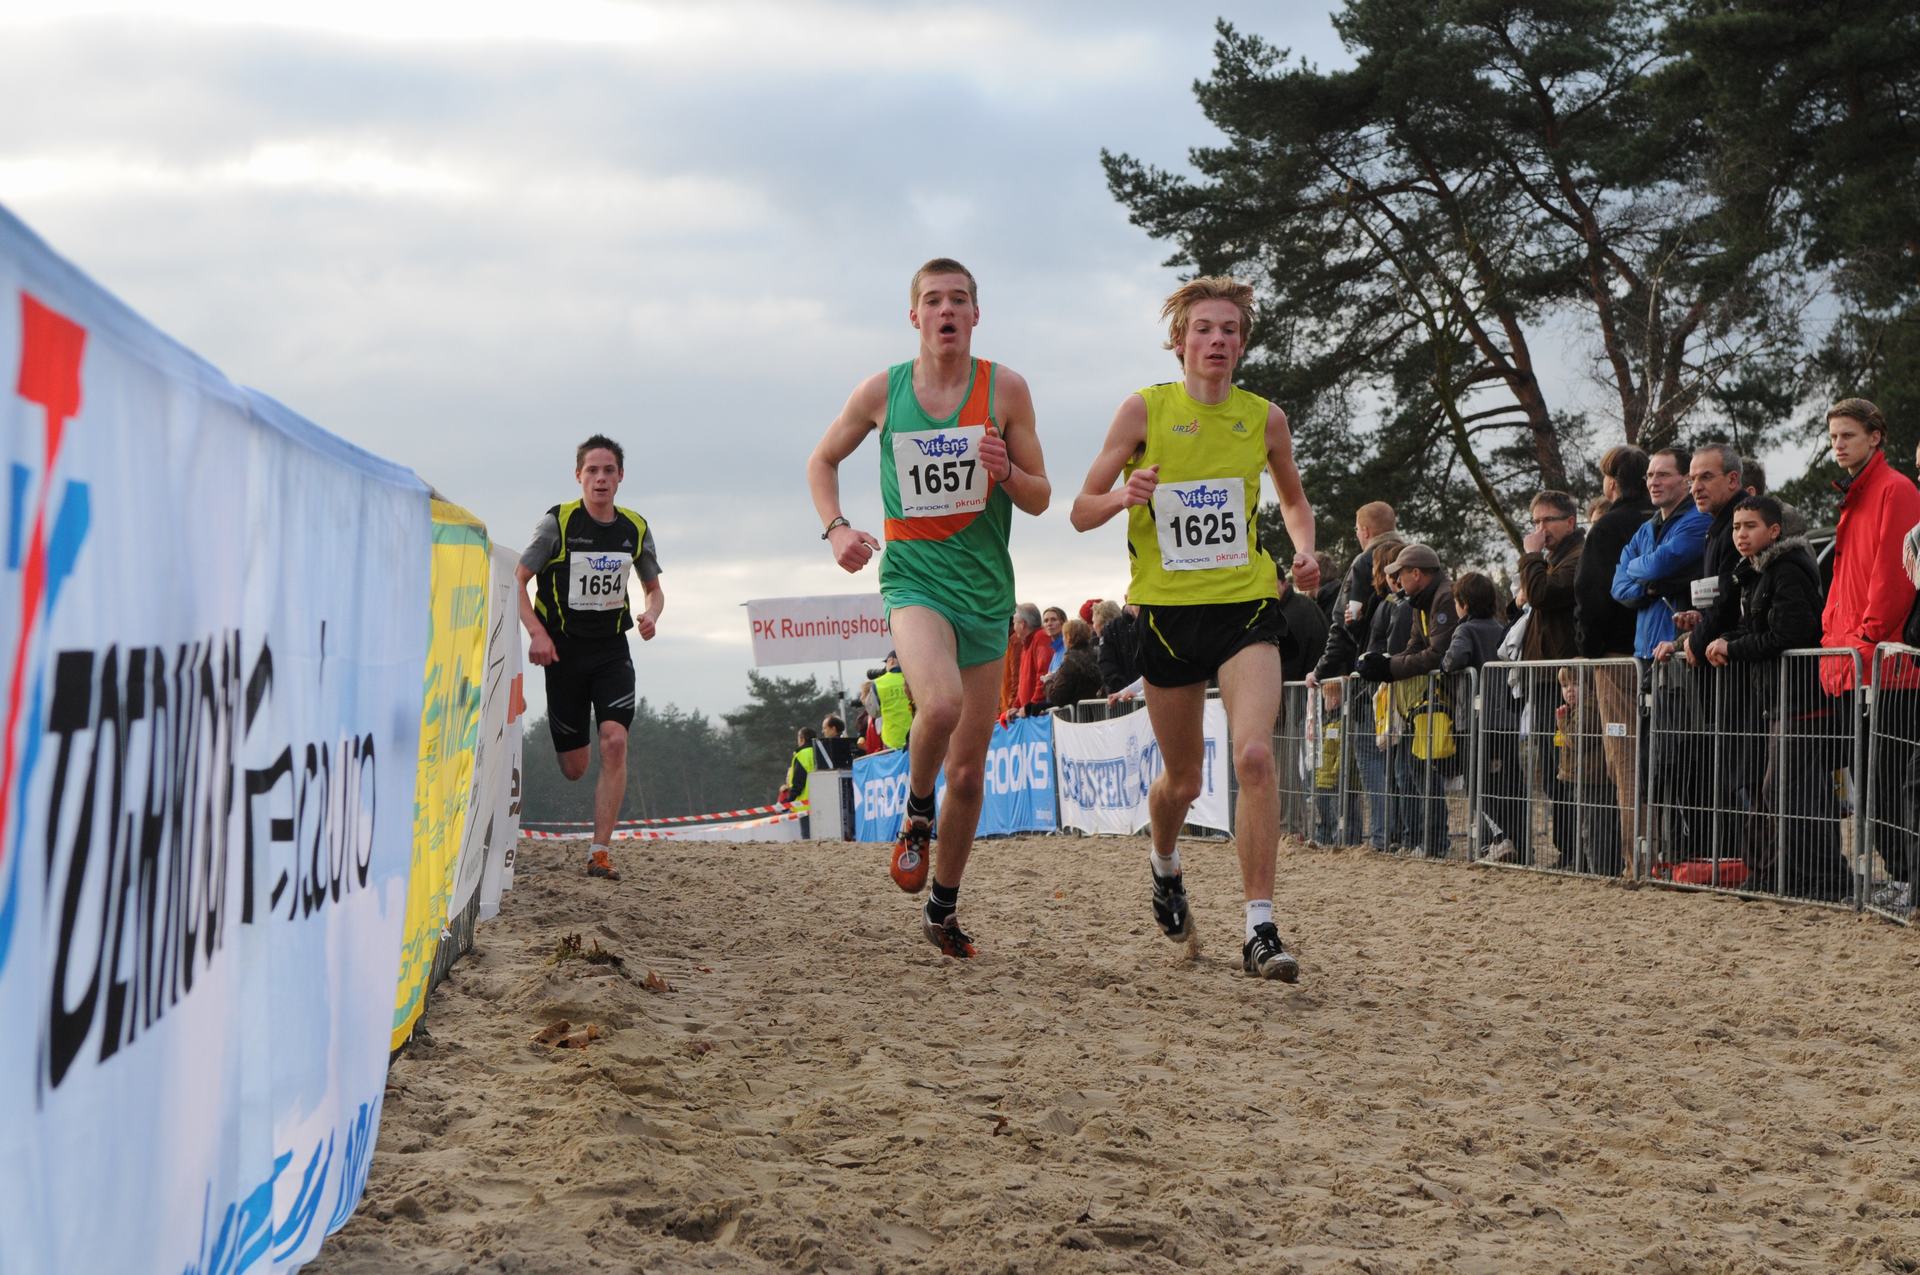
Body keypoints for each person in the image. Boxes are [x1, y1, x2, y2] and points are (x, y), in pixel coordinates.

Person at [1070, 275, 1318, 981]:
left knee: (1254, 756)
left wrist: (1304, 549)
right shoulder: (1144, 410)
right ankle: (1164, 863)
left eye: (1229, 330)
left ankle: (1260, 927)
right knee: (1181, 780)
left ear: (1242, 343)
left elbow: (1293, 501)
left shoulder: (1264, 418)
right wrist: (1125, 494)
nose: (1217, 340)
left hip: (1246, 607)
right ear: (1179, 341)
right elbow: (1081, 510)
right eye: (1204, 329)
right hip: (1168, 617)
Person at [806, 257, 1050, 957]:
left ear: (976, 314)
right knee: (938, 704)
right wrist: (837, 529)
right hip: (914, 581)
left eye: (959, 300)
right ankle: (916, 812)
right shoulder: (882, 391)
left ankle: (943, 906)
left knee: (969, 773)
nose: (947, 311)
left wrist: (1007, 471)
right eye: (934, 300)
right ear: (914, 315)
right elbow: (821, 461)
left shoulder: (1005, 389)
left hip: (986, 592)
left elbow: (1040, 496)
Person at [516, 434, 663, 882]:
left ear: (621, 476)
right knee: (575, 768)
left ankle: (600, 852)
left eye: (608, 471)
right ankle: (567, 740)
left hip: (611, 651)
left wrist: (651, 615)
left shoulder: (634, 527)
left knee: (615, 741)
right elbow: (517, 582)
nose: (601, 479)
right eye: (592, 471)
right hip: (562, 652)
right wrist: (537, 634)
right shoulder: (557, 524)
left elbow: (654, 589)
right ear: (578, 475)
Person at [1697, 494, 1843, 899]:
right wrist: (1725, 639)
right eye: (1736, 528)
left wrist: (1732, 647)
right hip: (1779, 700)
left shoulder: (1787, 571)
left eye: (1750, 527)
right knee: (1784, 793)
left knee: (1793, 794)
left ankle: (1821, 877)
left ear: (1774, 531)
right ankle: (1787, 874)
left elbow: (1790, 635)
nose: (1740, 535)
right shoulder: (1756, 572)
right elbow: (1758, 629)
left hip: (1800, 699)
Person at [1819, 399, 1920, 906]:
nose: (1838, 445)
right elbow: (1845, 579)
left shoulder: (1895, 489)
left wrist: (1866, 639)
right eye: (1833, 436)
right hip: (1852, 660)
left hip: (1886, 666)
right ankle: (1900, 878)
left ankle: (1909, 879)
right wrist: (1832, 638)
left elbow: (1895, 574)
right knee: (1870, 782)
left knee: (1890, 779)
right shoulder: (1856, 495)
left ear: (1875, 437)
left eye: (1848, 435)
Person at [1575, 445, 1650, 869]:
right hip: (1658, 647)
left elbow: (1590, 593)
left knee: (1624, 759)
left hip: (1618, 655)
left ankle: (1635, 858)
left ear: (1611, 482)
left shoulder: (1608, 528)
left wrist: (1590, 646)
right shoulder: (1661, 520)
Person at [1359, 543, 1455, 858]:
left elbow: (1437, 653)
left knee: (1426, 773)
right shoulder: (1419, 602)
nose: (1397, 580)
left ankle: (1435, 843)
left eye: (1400, 574)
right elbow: (1414, 647)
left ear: (1416, 573)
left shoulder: (1443, 597)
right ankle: (1420, 840)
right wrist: (1385, 662)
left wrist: (1388, 668)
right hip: (1426, 701)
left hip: (1450, 698)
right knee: (1413, 772)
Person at [1043, 617, 1104, 709]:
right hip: (1098, 711)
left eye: (1064, 636)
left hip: (1079, 714)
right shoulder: (1097, 653)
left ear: (1068, 637)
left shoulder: (1071, 662)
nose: (1063, 639)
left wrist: (1048, 681)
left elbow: (1057, 697)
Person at [1013, 602, 1054, 715]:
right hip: (1029, 712)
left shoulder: (1040, 638)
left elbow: (1043, 674)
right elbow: (1022, 682)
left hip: (1038, 714)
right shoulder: (1027, 643)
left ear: (1022, 625)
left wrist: (1032, 705)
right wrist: (1017, 706)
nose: (1013, 627)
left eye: (1014, 623)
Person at [1094, 599, 1142, 694]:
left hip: (1134, 693)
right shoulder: (1112, 631)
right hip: (1126, 694)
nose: (1093, 626)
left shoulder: (1111, 632)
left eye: (1094, 621)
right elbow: (1107, 666)